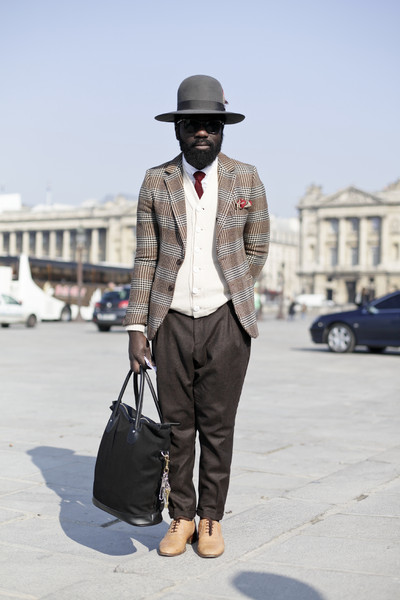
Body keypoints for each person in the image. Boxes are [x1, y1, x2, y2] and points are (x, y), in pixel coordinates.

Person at [123, 75, 270, 558]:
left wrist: (232, 288)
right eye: (192, 125)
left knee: (218, 427)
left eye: (211, 125)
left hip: (227, 319)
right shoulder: (156, 180)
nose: (202, 132)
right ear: (178, 129)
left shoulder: (246, 178)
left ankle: (211, 519)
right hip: (170, 319)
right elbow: (146, 256)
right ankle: (181, 516)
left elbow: (257, 246)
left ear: (222, 129)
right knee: (176, 426)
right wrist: (137, 327)